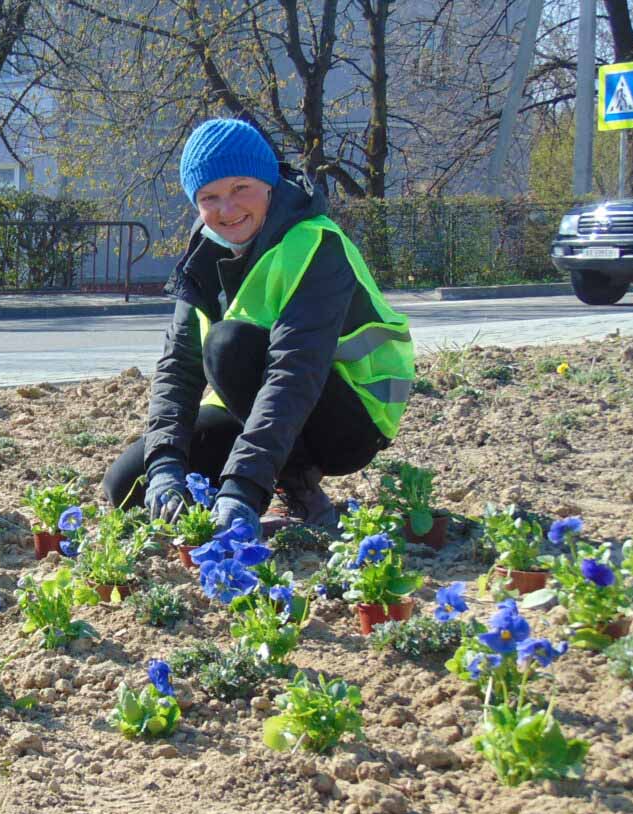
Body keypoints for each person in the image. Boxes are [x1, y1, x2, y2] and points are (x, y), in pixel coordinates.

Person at [103, 119, 413, 536]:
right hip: (254, 400)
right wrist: (164, 467)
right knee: (128, 487)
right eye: (209, 197)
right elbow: (178, 365)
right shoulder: (206, 250)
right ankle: (239, 485)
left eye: (240, 188)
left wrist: (244, 488)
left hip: (349, 416)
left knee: (226, 344)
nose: (227, 210)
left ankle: (299, 488)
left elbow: (294, 373)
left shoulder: (314, 243)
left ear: (268, 183)